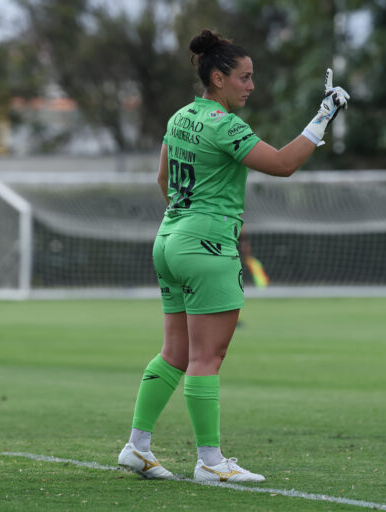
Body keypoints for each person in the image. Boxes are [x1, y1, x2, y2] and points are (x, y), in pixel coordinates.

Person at [118, 28, 349, 483]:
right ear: (218, 77)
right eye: (244, 77)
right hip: (207, 245)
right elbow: (283, 164)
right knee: (208, 357)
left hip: (168, 240)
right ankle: (210, 461)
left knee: (175, 353)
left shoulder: (181, 116)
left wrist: (186, 219)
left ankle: (137, 447)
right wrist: (324, 116)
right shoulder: (225, 125)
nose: (251, 85)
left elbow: (163, 178)